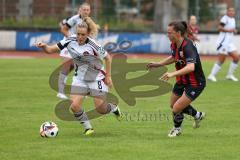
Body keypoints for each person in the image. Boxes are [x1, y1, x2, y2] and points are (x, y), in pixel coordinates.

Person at [36, 18, 122, 136]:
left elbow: (108, 58)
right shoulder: (69, 40)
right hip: (79, 79)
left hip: (96, 78)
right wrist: (44, 46)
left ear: (87, 34)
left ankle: (113, 108)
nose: (80, 37)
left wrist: (108, 76)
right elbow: (50, 50)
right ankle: (88, 128)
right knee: (74, 106)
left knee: (100, 109)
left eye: (83, 35)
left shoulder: (93, 44)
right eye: (78, 34)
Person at [147, 21, 206, 137]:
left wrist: (172, 74)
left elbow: (191, 67)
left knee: (176, 108)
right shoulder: (174, 44)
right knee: (173, 105)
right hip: (182, 80)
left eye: (170, 33)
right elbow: (174, 57)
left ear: (178, 33)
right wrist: (158, 64)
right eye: (167, 33)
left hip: (195, 82)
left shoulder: (188, 46)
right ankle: (197, 115)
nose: (167, 35)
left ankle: (177, 129)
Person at [57, 2, 95, 99]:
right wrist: (71, 39)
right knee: (66, 66)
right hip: (69, 45)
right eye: (84, 9)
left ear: (90, 11)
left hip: (80, 47)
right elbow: (64, 29)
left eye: (88, 10)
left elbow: (90, 34)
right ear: (80, 10)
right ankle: (60, 92)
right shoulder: (74, 19)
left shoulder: (89, 22)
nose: (86, 11)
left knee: (81, 68)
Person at [208, 7, 239, 82]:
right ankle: (211, 75)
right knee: (222, 59)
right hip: (223, 43)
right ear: (227, 12)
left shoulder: (233, 19)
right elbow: (219, 28)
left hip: (229, 43)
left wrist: (234, 30)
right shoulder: (225, 18)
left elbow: (231, 29)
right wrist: (229, 30)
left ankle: (229, 75)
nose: (231, 12)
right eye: (230, 11)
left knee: (236, 57)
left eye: (233, 11)